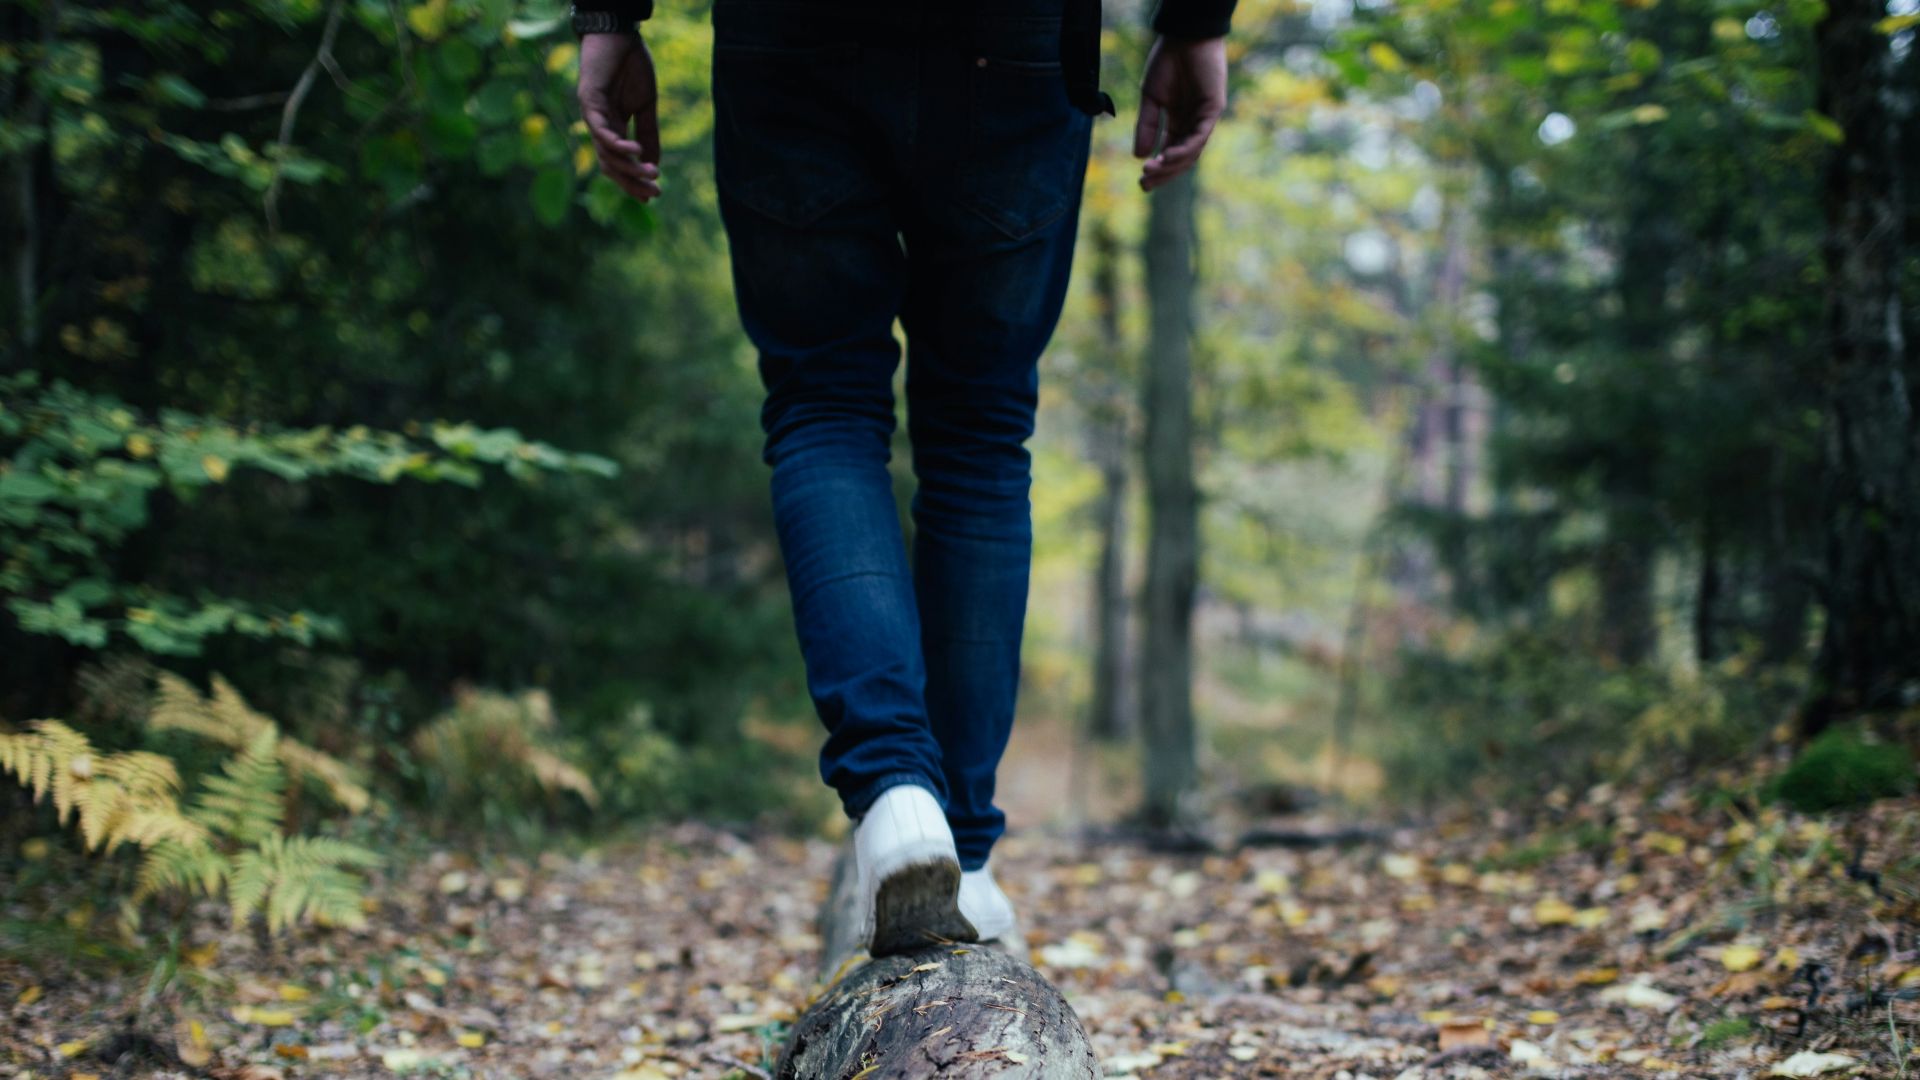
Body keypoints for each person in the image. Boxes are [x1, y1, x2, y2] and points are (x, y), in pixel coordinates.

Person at [572, 0, 1231, 956]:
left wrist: (606, 16)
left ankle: (895, 799)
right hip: (1013, 37)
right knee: (980, 436)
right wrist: (1198, 21)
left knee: (824, 406)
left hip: (789, 32)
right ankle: (962, 847)